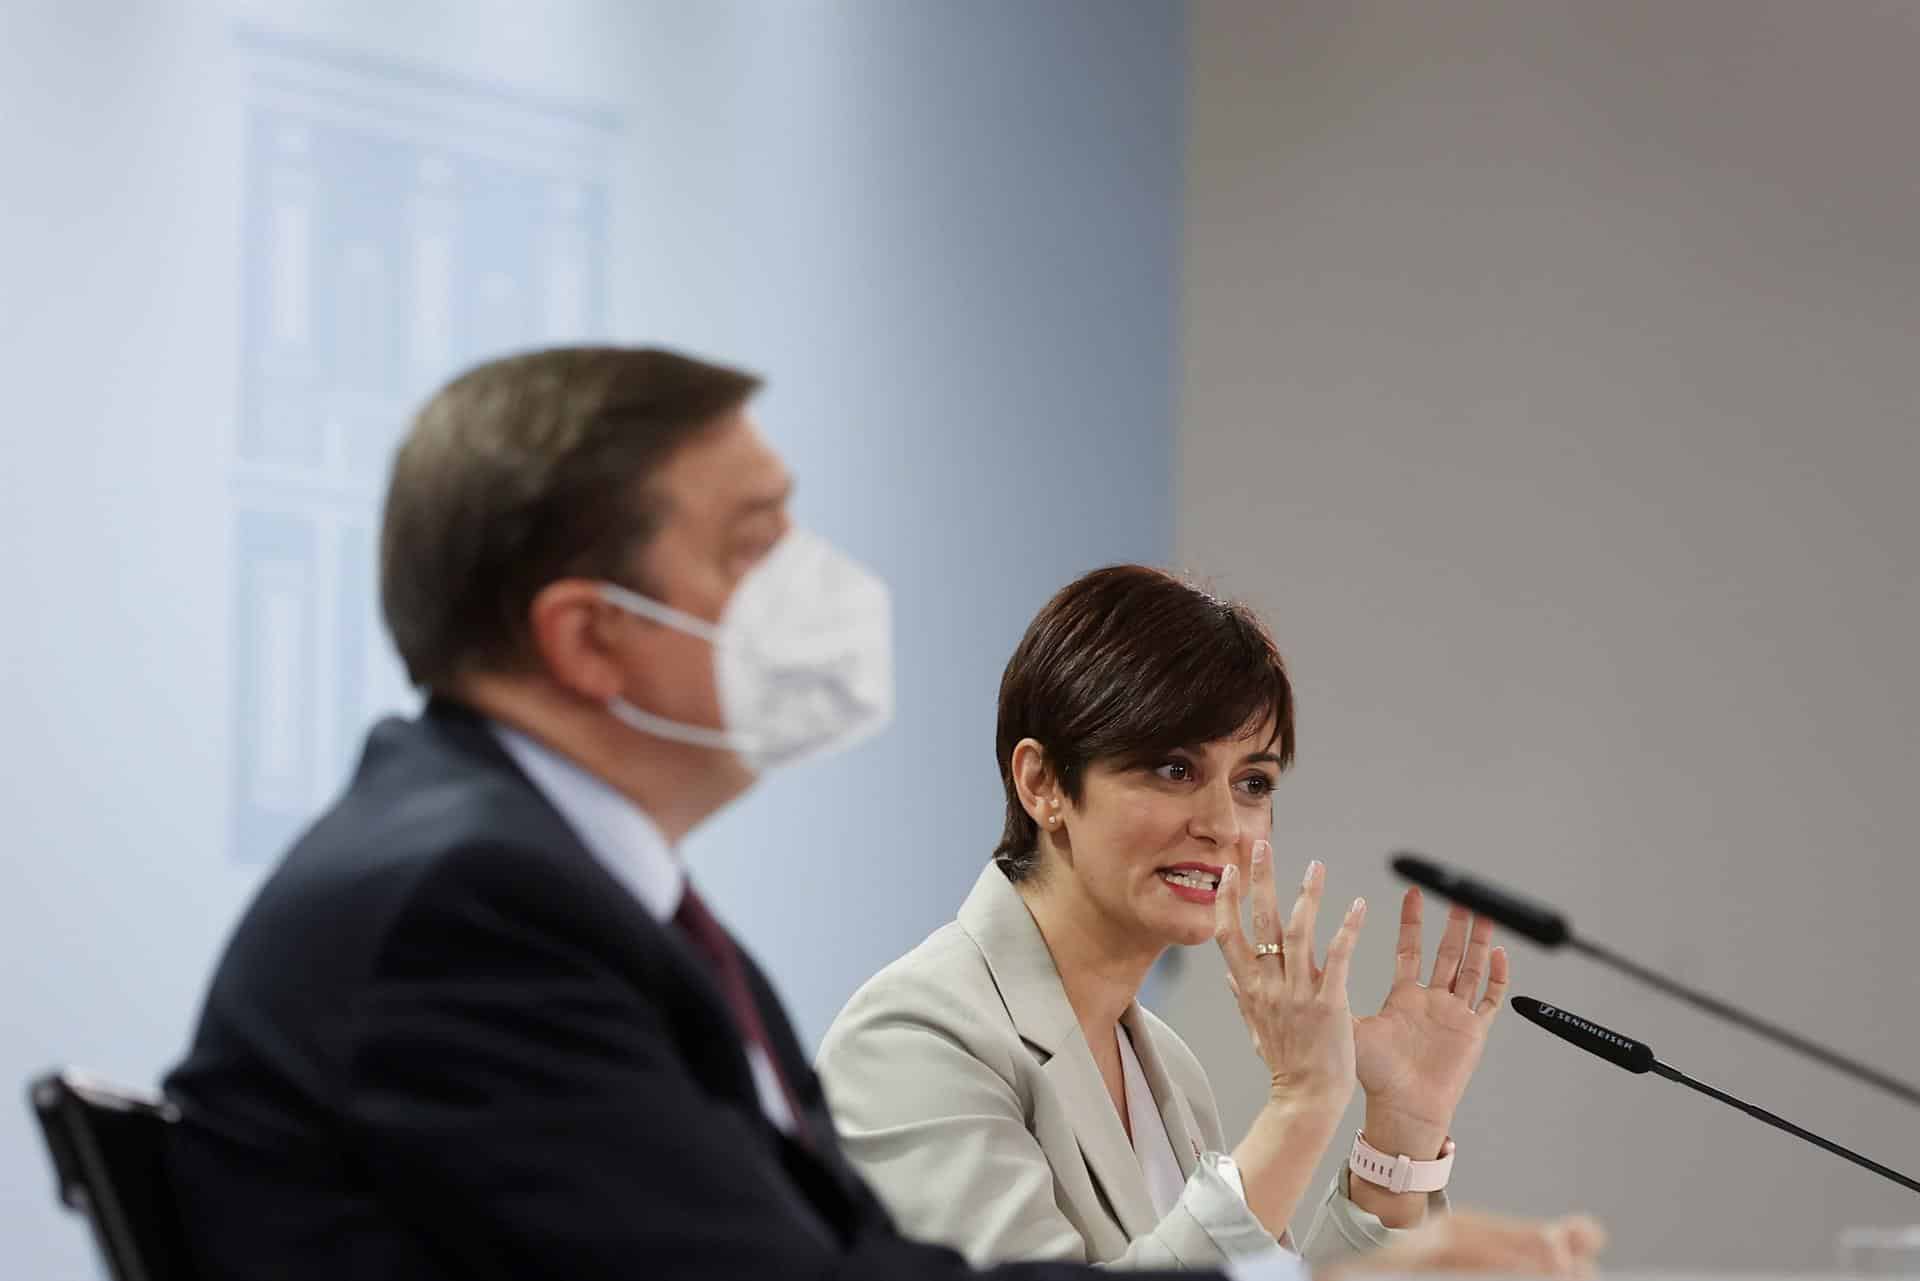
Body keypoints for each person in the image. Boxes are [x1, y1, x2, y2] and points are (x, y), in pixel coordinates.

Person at [165, 346, 1602, 1281]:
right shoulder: (467, 913)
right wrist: (1305, 1113)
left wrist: (1386, 1144)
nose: (817, 587)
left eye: (1253, 780)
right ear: (588, 638)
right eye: (753, 545)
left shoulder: (548, 887)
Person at [817, 567, 1512, 1273]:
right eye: (1174, 769)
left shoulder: (1169, 1070)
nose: (1223, 825)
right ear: (1043, 783)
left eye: (1252, 783)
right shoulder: (914, 1039)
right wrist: (1302, 1103)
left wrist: (1399, 1137)